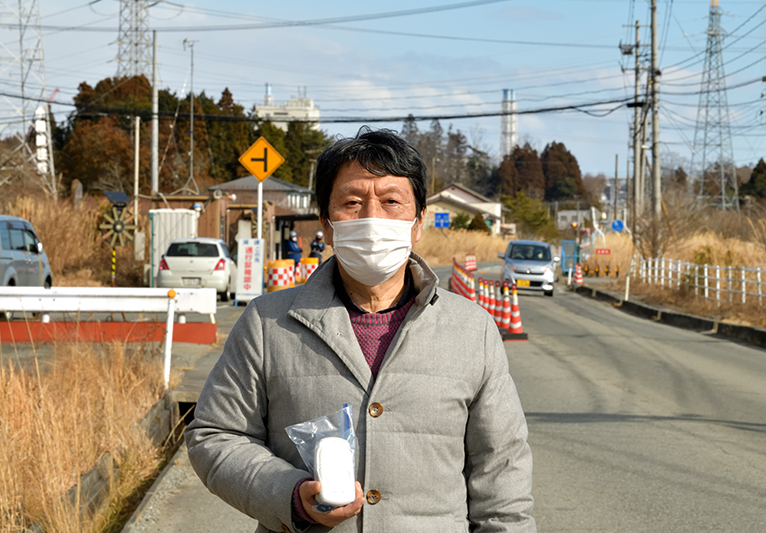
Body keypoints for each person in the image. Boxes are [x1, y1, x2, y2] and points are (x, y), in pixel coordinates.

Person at [185, 128, 536, 533]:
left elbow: (501, 469)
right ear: (327, 225)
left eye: (391, 202)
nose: (372, 218)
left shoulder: (472, 330)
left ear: (418, 222)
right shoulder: (268, 323)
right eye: (352, 202)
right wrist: (290, 496)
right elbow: (214, 435)